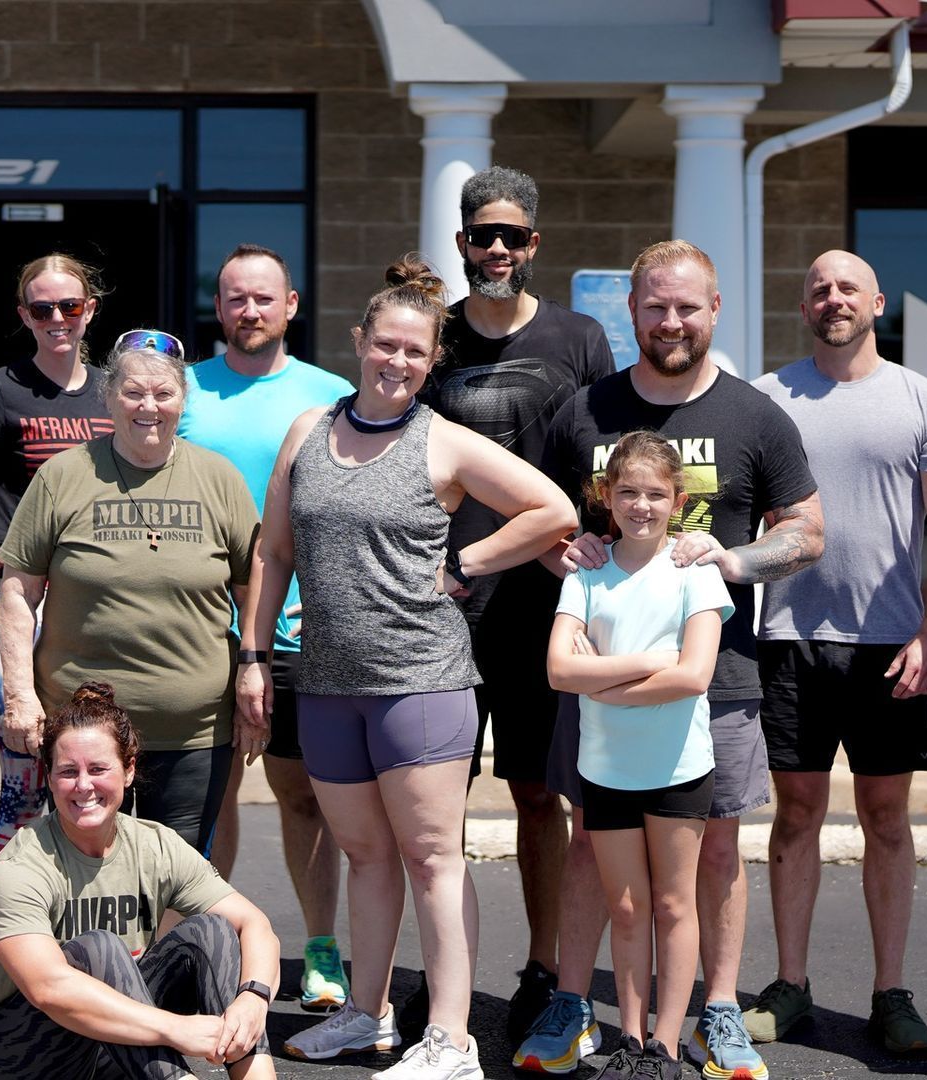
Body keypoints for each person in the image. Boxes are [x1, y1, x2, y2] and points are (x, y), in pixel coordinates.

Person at [238, 256, 577, 1080]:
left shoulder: (446, 442)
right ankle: (367, 1013)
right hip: (324, 682)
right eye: (385, 345)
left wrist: (468, 564)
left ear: (432, 363)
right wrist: (253, 654)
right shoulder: (306, 432)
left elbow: (554, 509)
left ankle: (452, 1039)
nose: (397, 362)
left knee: (433, 858)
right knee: (365, 857)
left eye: (415, 353)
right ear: (360, 343)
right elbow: (274, 548)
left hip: (421, 683)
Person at [548, 240, 822, 1080]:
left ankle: (720, 1010)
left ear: (715, 311)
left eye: (688, 307)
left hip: (721, 681)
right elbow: (545, 523)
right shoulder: (582, 412)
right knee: (593, 847)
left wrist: (732, 561)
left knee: (714, 851)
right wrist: (564, 555)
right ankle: (571, 1005)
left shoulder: (754, 415)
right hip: (600, 676)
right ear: (630, 310)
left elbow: (807, 532)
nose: (672, 322)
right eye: (656, 306)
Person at [743, 250, 927, 1054]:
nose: (832, 298)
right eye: (818, 289)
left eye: (847, 287)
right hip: (788, 641)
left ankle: (891, 995)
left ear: (877, 301)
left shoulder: (926, 401)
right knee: (796, 815)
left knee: (886, 817)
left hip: (889, 646)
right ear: (803, 306)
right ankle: (791, 985)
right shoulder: (767, 401)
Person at [422, 166, 617, 1054]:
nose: (497, 249)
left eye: (513, 236)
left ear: (535, 245)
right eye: (481, 235)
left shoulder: (580, 339)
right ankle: (445, 973)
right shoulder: (431, 339)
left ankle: (545, 969)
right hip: (441, 605)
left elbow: (602, 468)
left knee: (540, 794)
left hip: (545, 608)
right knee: (436, 804)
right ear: (461, 243)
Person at [0, 331, 260, 856]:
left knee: (176, 877)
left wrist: (254, 669)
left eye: (164, 394)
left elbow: (253, 590)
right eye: (135, 392)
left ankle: (168, 946)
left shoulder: (219, 478)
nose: (149, 407)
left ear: (182, 400)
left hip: (193, 731)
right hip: (83, 735)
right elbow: (17, 595)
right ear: (109, 396)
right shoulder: (62, 476)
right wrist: (21, 696)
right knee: (86, 871)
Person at [178, 244, 355, 1011]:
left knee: (303, 796)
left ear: (291, 306)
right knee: (207, 796)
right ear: (218, 309)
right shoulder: (181, 393)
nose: (248, 310)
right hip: (193, 631)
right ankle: (205, 946)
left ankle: (320, 950)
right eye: (234, 298)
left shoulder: (332, 394)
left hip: (295, 633)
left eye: (263, 298)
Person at [0, 682, 282, 1080]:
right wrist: (176, 1030)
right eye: (68, 771)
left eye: (99, 769)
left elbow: (255, 925)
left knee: (211, 931)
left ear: (128, 770)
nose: (84, 785)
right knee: (99, 950)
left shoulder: (154, 844)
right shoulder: (22, 865)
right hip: (6, 1058)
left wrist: (254, 998)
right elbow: (47, 988)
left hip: (106, 1047)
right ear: (50, 776)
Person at [547, 432, 733, 1080]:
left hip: (678, 766)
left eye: (656, 494)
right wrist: (647, 663)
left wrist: (607, 683)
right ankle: (629, 1041)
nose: (642, 505)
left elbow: (694, 676)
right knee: (625, 909)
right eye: (628, 491)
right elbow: (558, 669)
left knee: (674, 905)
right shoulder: (587, 573)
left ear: (678, 500)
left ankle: (666, 1045)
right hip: (605, 769)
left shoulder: (695, 572)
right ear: (606, 496)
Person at [0, 254, 116, 861]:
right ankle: (12, 935)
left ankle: (87, 921)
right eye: (43, 309)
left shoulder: (115, 395)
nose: (58, 319)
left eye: (70, 306)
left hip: (99, 602)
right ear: (25, 316)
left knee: (92, 775)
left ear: (90, 310)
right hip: (18, 606)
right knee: (26, 781)